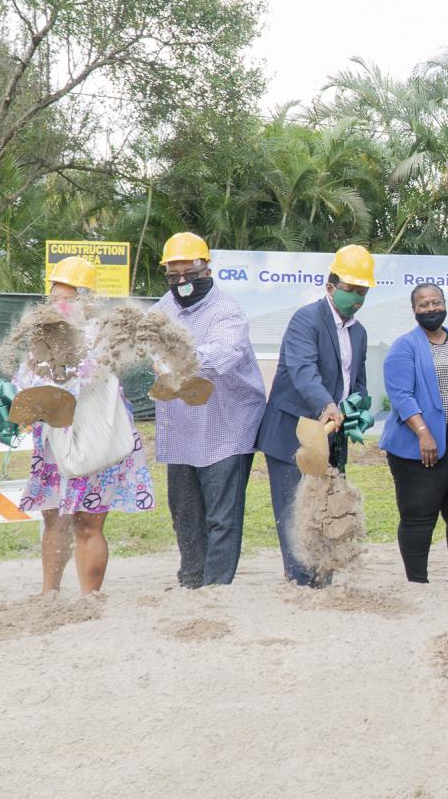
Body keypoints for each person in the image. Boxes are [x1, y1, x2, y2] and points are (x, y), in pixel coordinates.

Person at [18, 257, 155, 595]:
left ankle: (89, 599)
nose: (58, 303)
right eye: (54, 296)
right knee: (53, 519)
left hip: (95, 435)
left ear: (85, 298)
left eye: (67, 296)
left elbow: (83, 376)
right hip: (54, 439)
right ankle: (48, 595)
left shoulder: (103, 335)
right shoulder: (42, 336)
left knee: (88, 523)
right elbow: (26, 380)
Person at [152, 232, 265, 587]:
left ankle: (216, 587)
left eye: (190, 273)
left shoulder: (227, 311)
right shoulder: (162, 311)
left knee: (222, 514)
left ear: (207, 270)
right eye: (174, 276)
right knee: (185, 511)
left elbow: (221, 357)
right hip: (182, 424)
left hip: (225, 425)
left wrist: (179, 361)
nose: (182, 282)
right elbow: (150, 345)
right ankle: (191, 578)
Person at [257, 245, 372, 586]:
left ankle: (323, 577)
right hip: (293, 432)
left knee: (326, 506)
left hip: (331, 435)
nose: (357, 298)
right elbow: (303, 370)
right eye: (351, 290)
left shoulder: (359, 332)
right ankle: (300, 581)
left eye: (363, 292)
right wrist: (327, 405)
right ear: (331, 286)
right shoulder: (306, 320)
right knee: (295, 511)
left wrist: (355, 405)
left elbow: (358, 382)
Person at [379, 282, 448, 582]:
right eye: (424, 304)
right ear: (414, 310)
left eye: (436, 302)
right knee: (419, 516)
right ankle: (418, 582)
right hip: (421, 445)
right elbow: (401, 395)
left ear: (444, 304)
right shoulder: (405, 346)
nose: (431, 309)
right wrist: (424, 433)